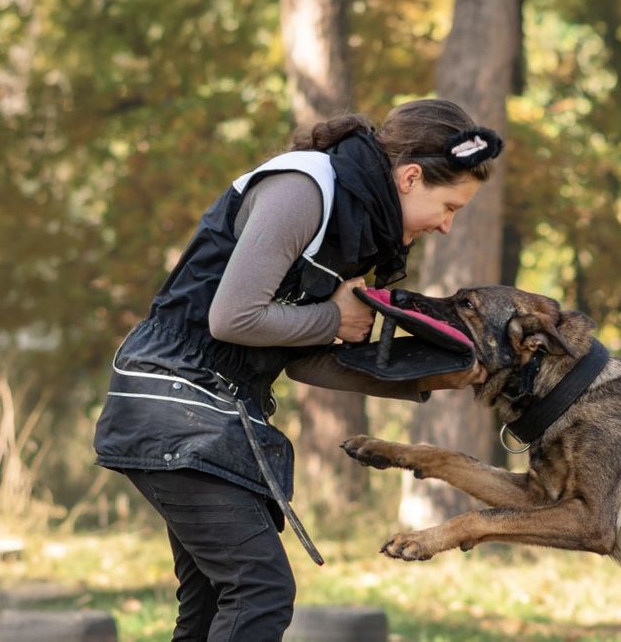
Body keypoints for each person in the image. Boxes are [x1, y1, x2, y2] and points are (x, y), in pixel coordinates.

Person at [92, 98, 503, 641]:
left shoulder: (359, 225)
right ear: (409, 178)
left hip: (216, 412)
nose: (447, 226)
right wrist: (334, 317)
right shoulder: (305, 189)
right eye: (449, 206)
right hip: (172, 401)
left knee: (213, 602)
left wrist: (429, 379)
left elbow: (303, 362)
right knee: (258, 591)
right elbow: (232, 317)